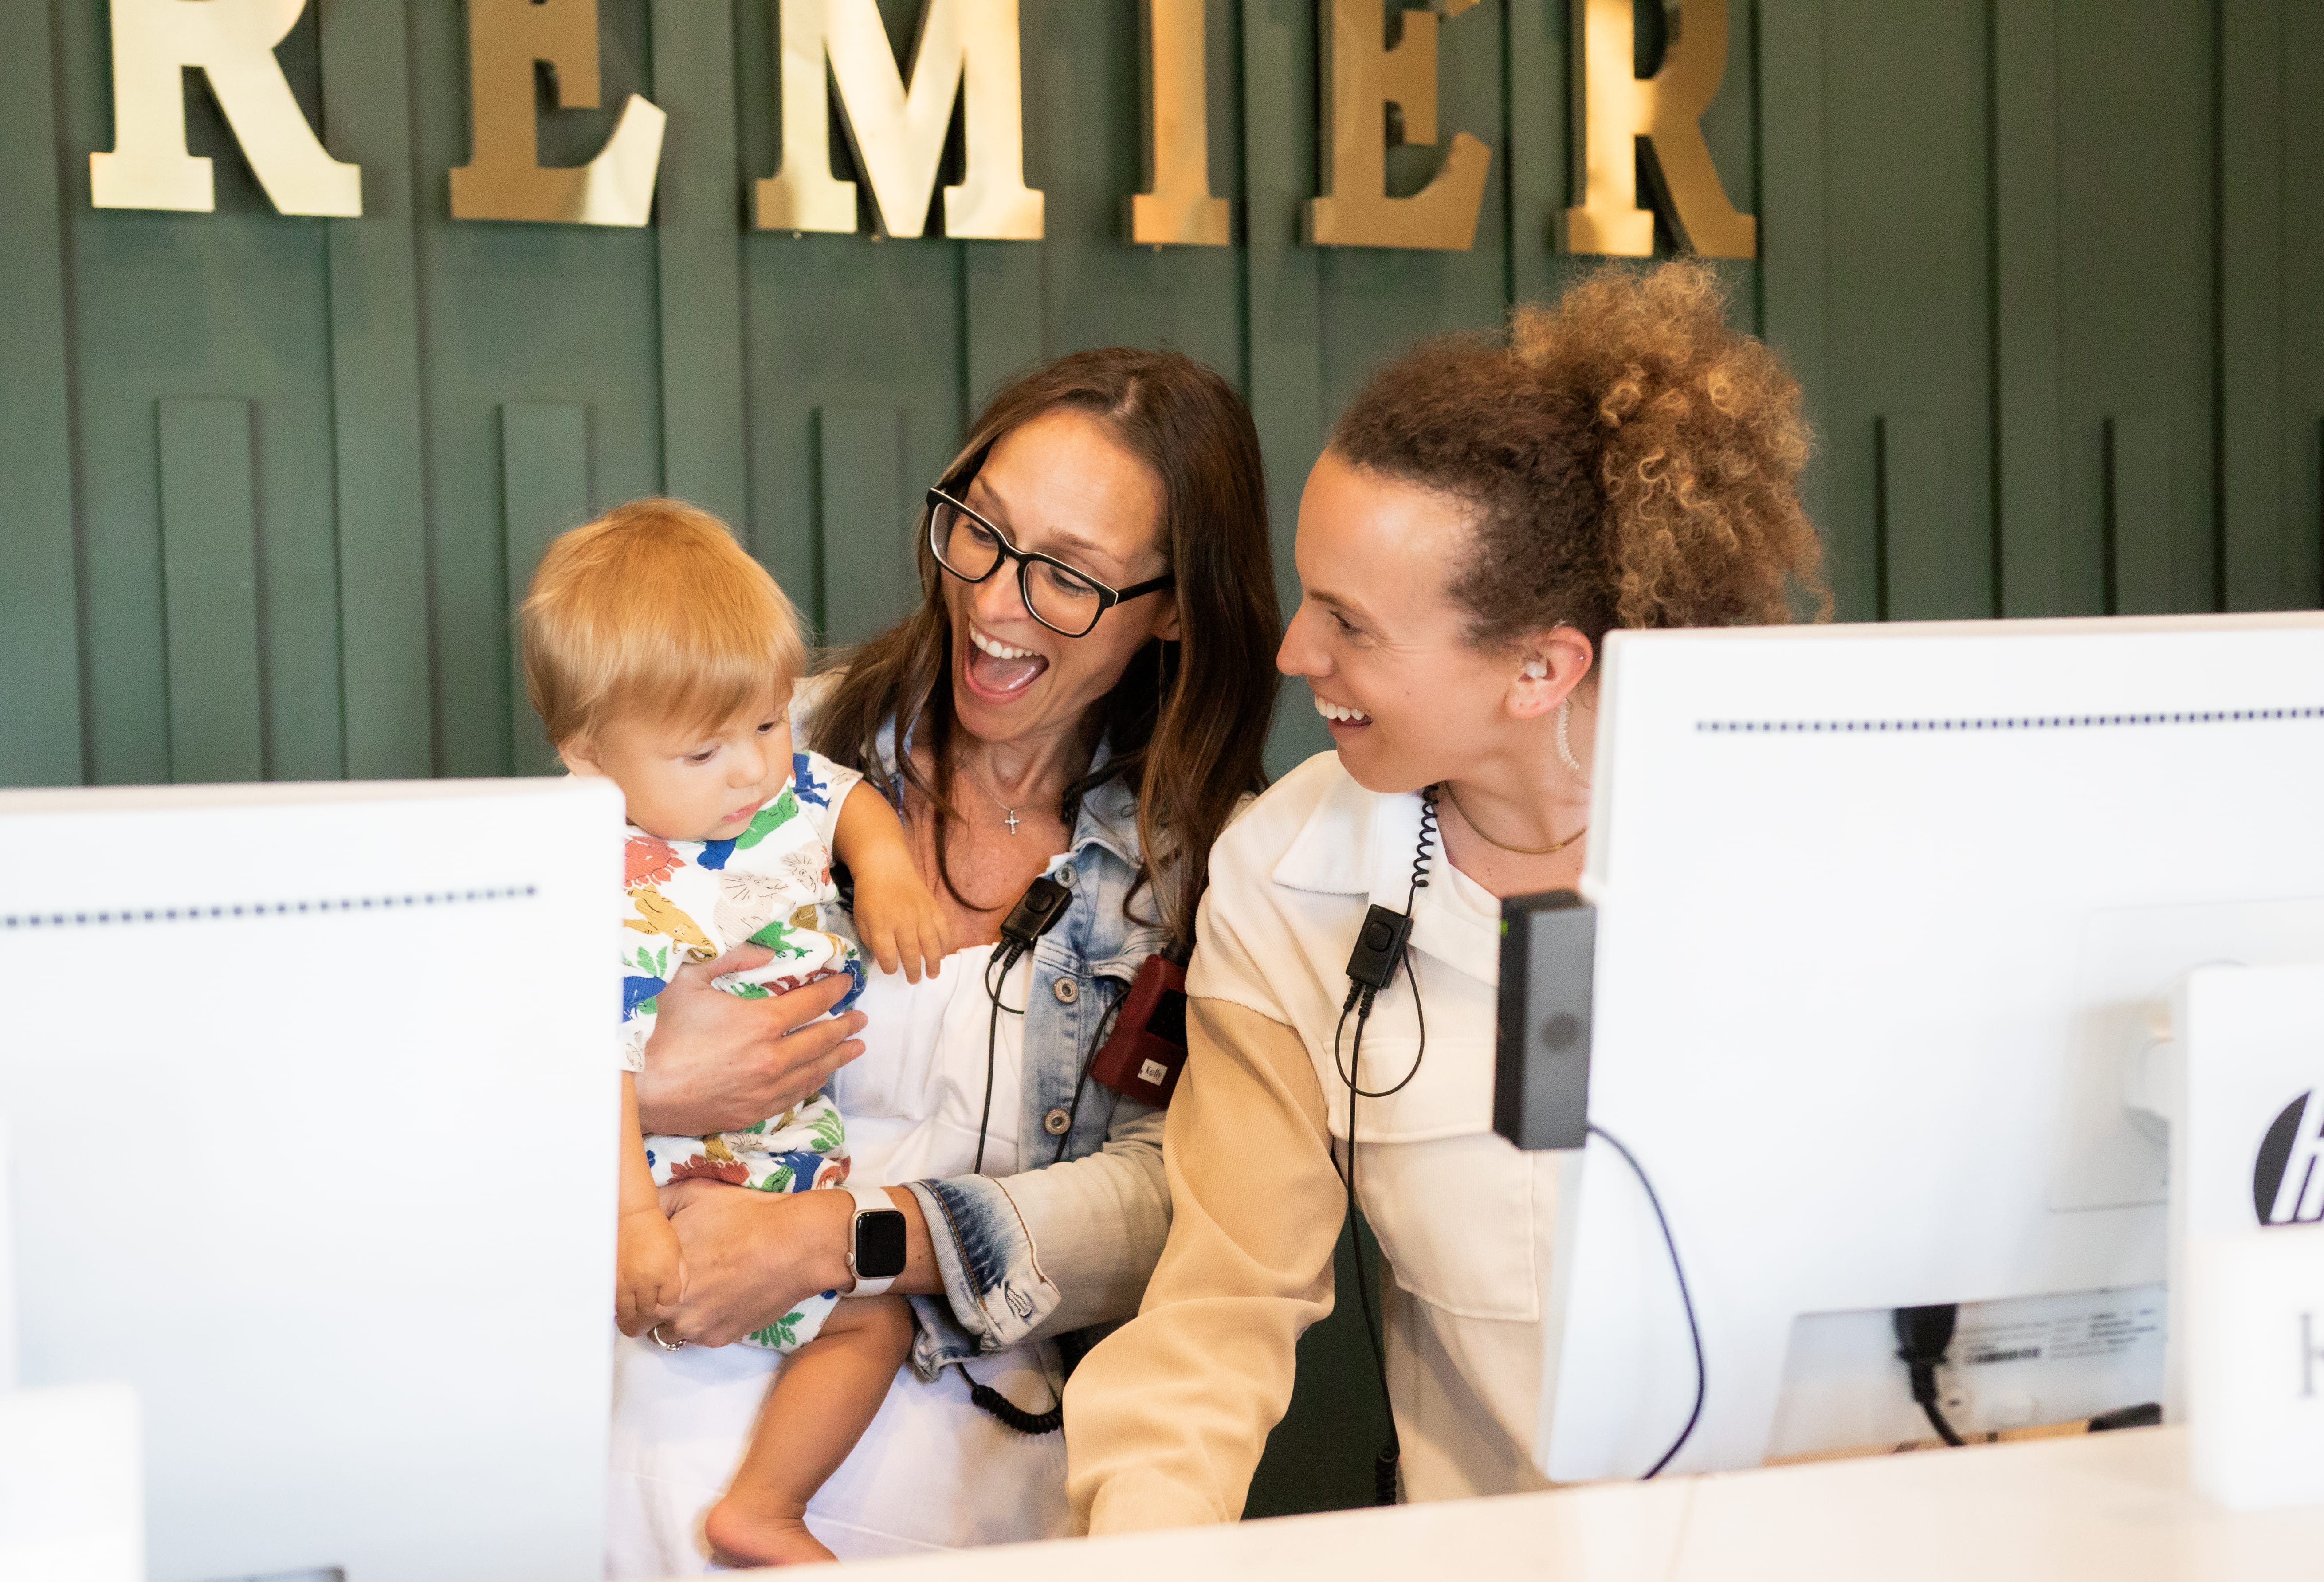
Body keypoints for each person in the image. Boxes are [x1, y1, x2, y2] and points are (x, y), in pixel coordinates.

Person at [1062, 262, 1829, 1527]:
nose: (1296, 655)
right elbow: (1219, 1306)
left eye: (1350, 624)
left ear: (1540, 669)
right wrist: (1142, 1550)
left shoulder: (1816, 847)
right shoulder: (1288, 872)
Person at [604, 348, 1284, 1574]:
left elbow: (1180, 1209)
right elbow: (471, 1052)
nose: (998, 602)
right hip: (641, 1415)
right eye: (981, 531)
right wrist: (649, 1092)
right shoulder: (748, 742)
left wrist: (845, 1238)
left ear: (1175, 607)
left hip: (968, 1478)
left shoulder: (1208, 865)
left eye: (1070, 577)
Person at [520, 502, 952, 1566]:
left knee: (881, 1320)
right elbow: (605, 1069)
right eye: (705, 749)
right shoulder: (607, 884)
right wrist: (636, 1226)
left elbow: (842, 797)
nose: (753, 770)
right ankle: (748, 1508)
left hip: (800, 1170)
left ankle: (763, 1504)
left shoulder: (774, 792)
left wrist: (888, 867)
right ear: (588, 758)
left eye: (767, 722)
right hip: (674, 1188)